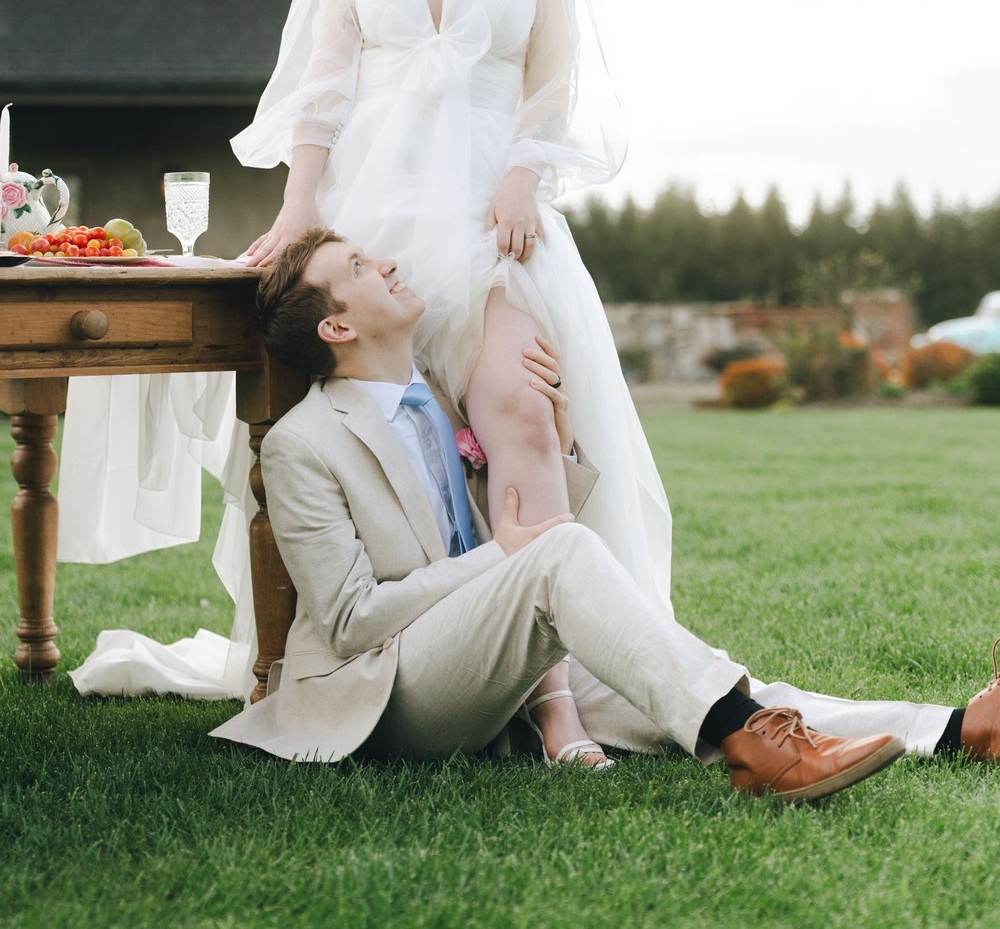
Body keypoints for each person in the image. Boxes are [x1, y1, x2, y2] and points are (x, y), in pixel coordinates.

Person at [211, 229, 1000, 794]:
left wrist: (557, 452)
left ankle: (956, 727)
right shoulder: (303, 443)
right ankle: (758, 751)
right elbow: (350, 621)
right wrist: (504, 556)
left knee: (683, 680)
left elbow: (502, 534)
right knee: (560, 557)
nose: (385, 261)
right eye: (358, 267)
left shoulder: (442, 401)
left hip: (479, 665)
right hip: (385, 698)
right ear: (337, 326)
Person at [233, 0, 673, 765]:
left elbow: (552, 89)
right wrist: (301, 206)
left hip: (489, 222)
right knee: (377, 443)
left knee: (522, 414)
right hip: (369, 223)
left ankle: (554, 701)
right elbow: (323, 90)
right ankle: (368, 663)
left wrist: (523, 175)